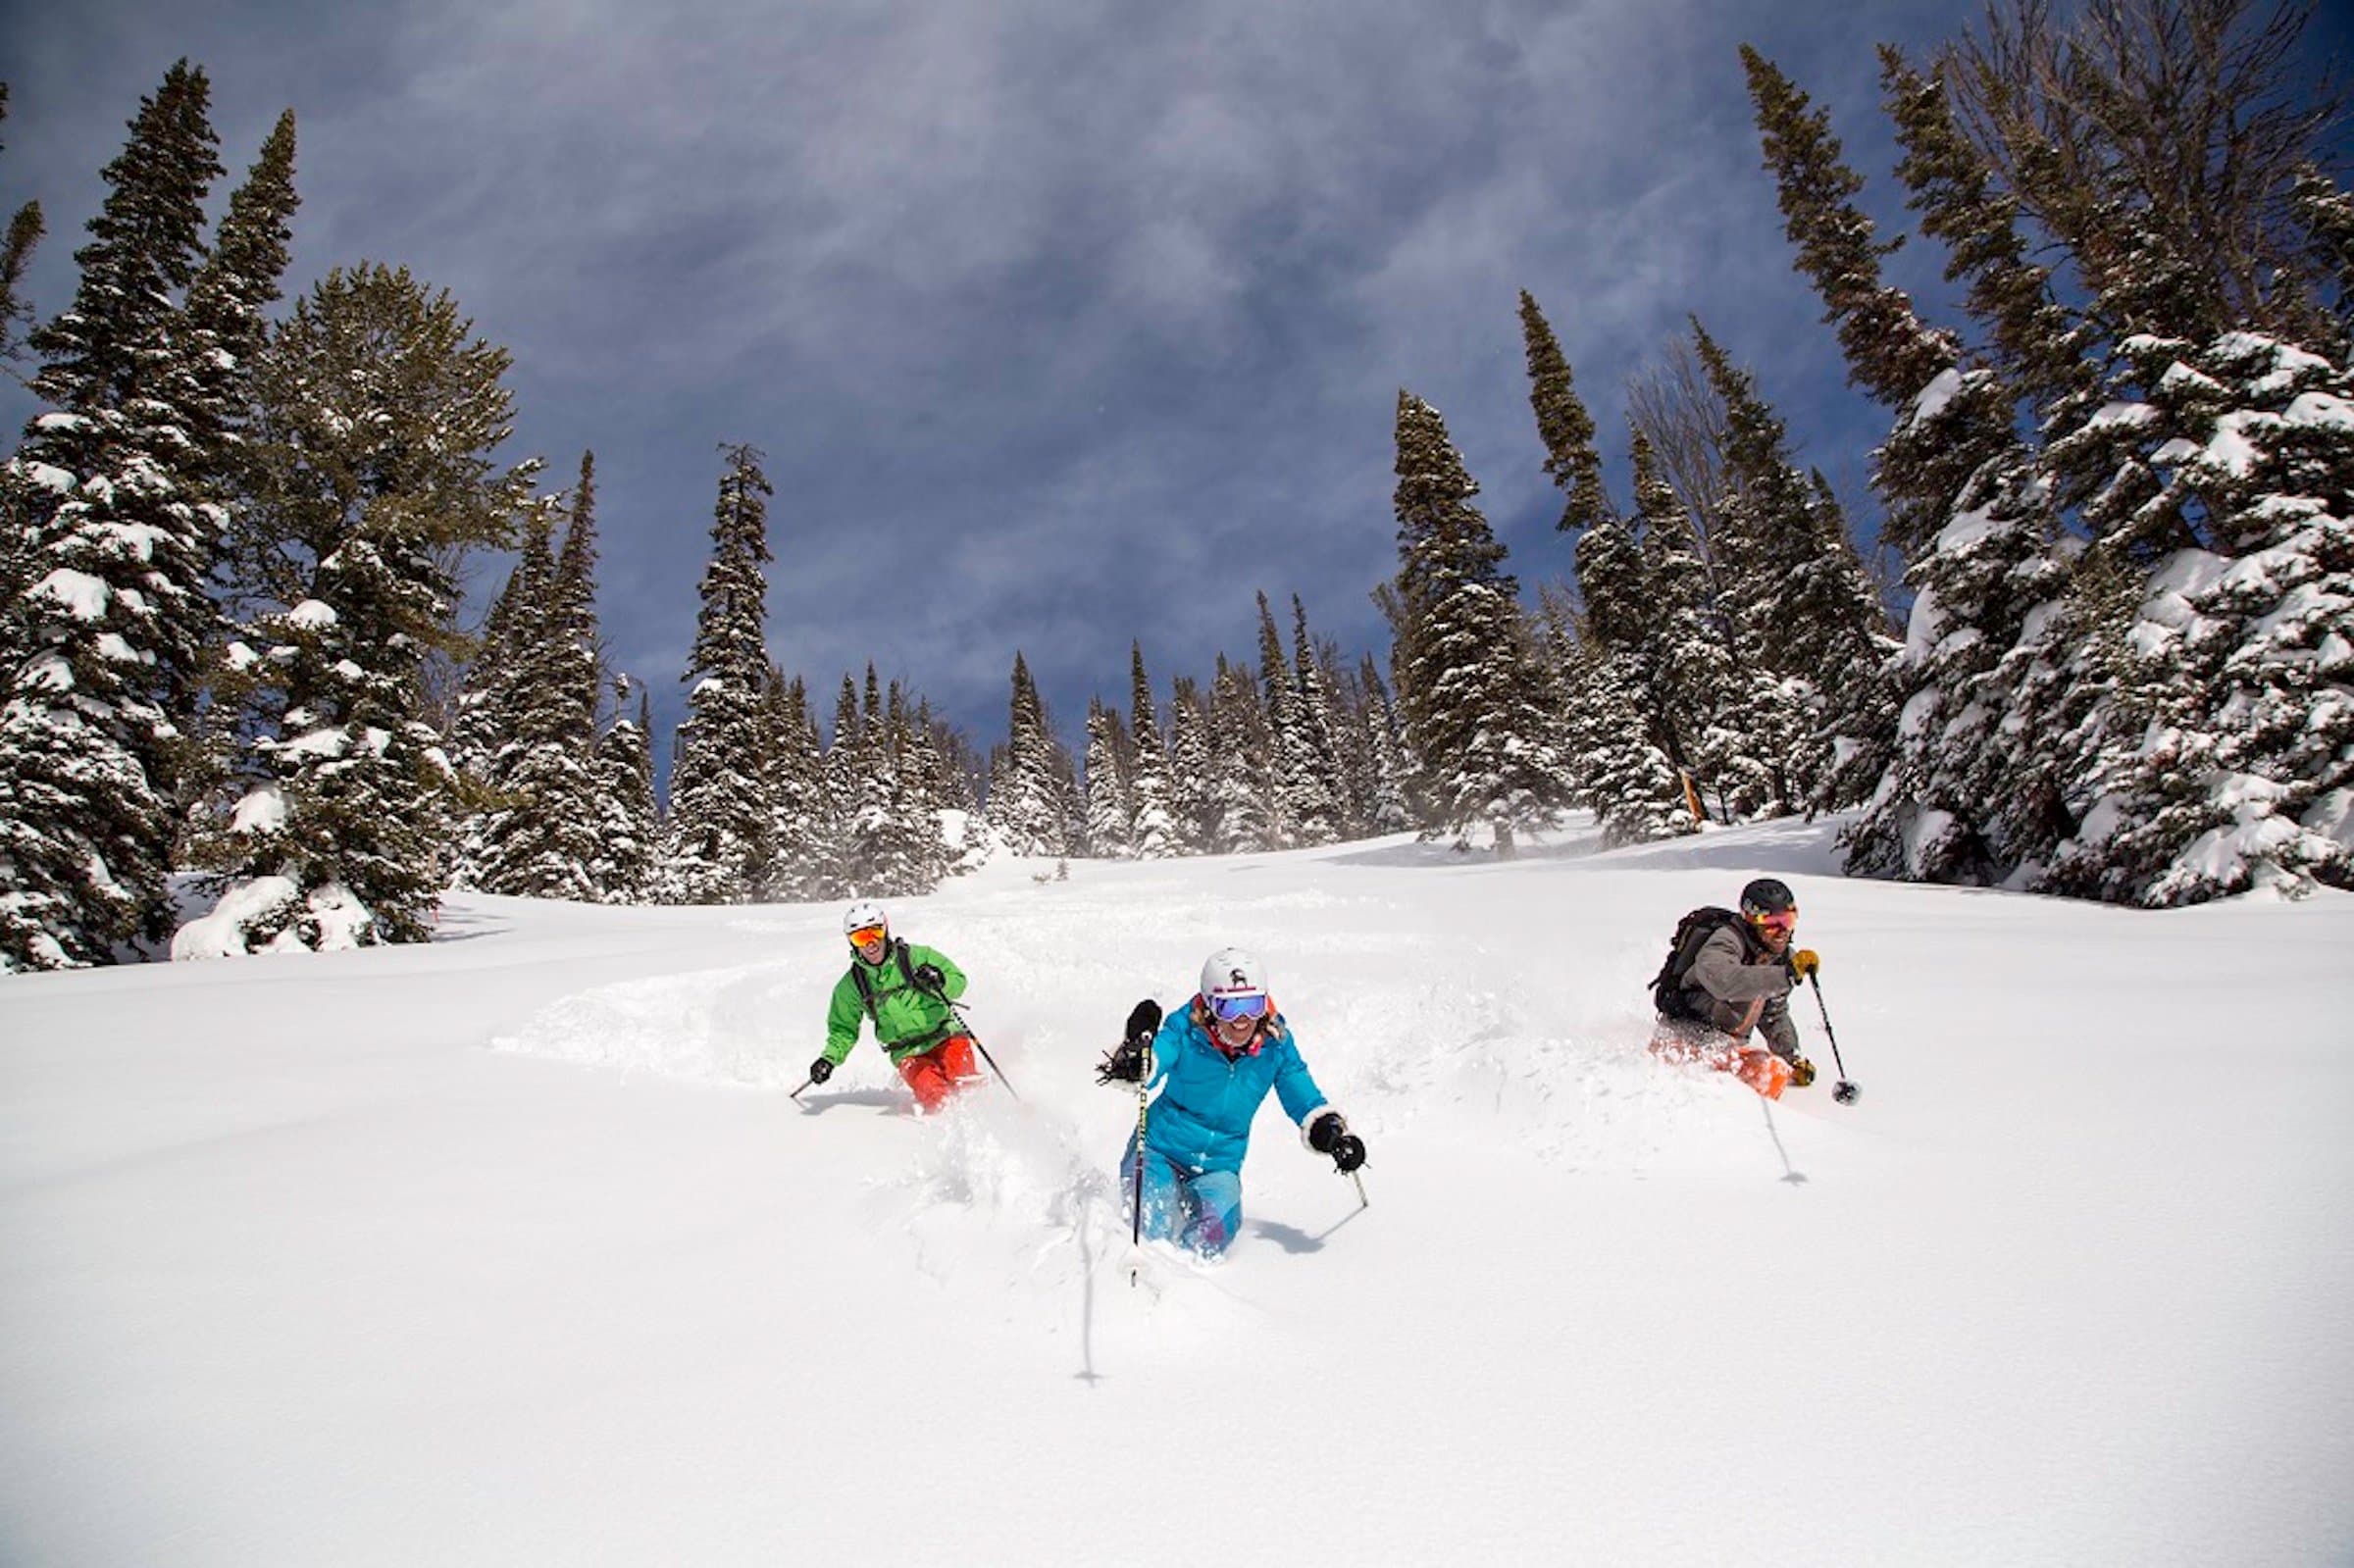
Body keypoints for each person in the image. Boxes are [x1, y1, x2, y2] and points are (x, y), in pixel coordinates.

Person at [1097, 946, 1365, 1258]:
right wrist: (1137, 1059)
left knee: (1212, 1236)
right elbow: (1159, 1056)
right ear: (1210, 1005)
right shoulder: (1185, 1029)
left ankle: (1188, 1293)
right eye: (1228, 1008)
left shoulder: (1275, 1046)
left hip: (1219, 1166)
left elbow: (1302, 1095)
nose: (1242, 1020)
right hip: (1159, 1149)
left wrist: (1330, 1132)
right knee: (1150, 1226)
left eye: (1252, 1005)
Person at [1650, 877, 1821, 1099]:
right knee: (1767, 1075)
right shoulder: (1726, 941)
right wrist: (1785, 975)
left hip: (1727, 1048)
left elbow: (1773, 1013)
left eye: (1787, 920)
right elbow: (1725, 982)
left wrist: (1792, 1058)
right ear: (1751, 919)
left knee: (1774, 1073)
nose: (1781, 931)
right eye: (1771, 923)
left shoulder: (1780, 958)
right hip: (1684, 1038)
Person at [809, 900, 979, 1114]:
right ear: (852, 942)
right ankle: (946, 1132)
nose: (870, 943)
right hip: (907, 1053)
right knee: (937, 1096)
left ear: (885, 928)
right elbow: (843, 1029)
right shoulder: (851, 986)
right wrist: (828, 1059)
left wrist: (941, 980)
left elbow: (959, 981)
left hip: (946, 1035)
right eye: (861, 937)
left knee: (966, 1084)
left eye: (875, 933)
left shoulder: (916, 957)